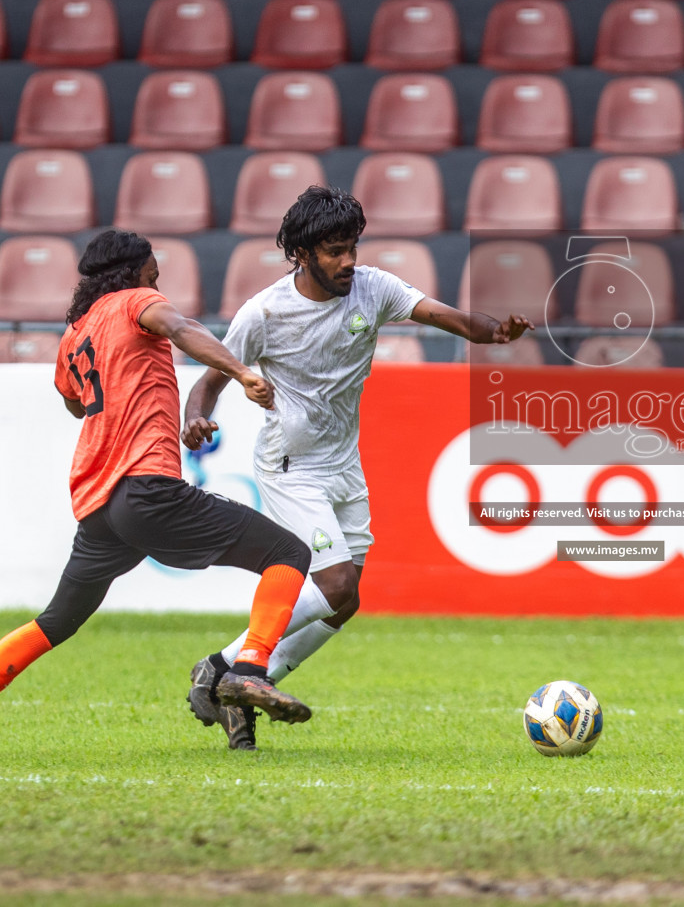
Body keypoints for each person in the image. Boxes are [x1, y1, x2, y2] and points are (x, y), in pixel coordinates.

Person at [0, 230, 316, 753]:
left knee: (55, 621)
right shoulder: (137, 302)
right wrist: (239, 371)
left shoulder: (77, 331)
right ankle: (249, 669)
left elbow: (75, 403)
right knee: (287, 552)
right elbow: (180, 327)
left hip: (99, 503)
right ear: (131, 270)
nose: (158, 274)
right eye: (152, 265)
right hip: (147, 486)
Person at [181, 186, 534, 750]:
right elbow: (210, 380)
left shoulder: (374, 289)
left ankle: (238, 680)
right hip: (290, 465)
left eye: (352, 248)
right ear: (301, 253)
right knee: (334, 581)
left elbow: (452, 319)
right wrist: (196, 418)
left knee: (347, 601)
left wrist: (493, 331)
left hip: (343, 463)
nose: (348, 262)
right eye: (334, 251)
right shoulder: (265, 313)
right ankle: (229, 671)